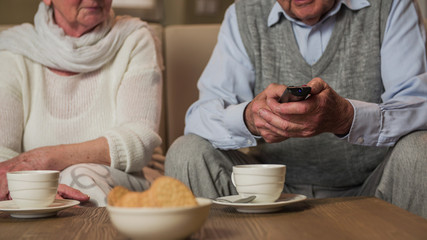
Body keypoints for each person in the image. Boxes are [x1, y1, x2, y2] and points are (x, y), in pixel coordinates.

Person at [165, 0, 427, 218]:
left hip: (373, 188)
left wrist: (347, 118)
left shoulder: (391, 5)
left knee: (421, 150)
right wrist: (249, 118)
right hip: (267, 195)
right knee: (186, 152)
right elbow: (199, 116)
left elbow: (419, 106)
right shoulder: (244, 13)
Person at [0, 0, 163, 206]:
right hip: (37, 191)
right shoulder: (15, 50)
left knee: (80, 176)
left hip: (133, 180)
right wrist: (41, 187)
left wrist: (43, 159)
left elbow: (140, 140)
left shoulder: (135, 38)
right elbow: (3, 159)